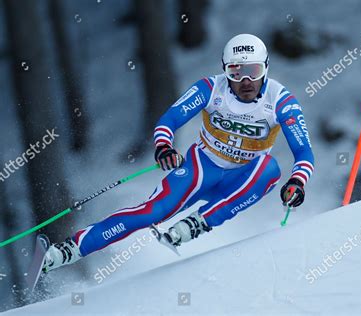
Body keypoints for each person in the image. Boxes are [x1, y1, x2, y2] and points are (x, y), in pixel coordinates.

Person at [42, 34, 314, 272]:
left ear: (266, 68)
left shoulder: (281, 101)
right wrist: (164, 146)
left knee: (270, 169)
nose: (245, 81)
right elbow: (169, 120)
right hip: (202, 168)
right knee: (150, 213)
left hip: (244, 177)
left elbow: (303, 151)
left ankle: (198, 223)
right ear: (225, 70)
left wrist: (297, 182)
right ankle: (68, 250)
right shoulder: (210, 88)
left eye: (253, 71)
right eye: (236, 71)